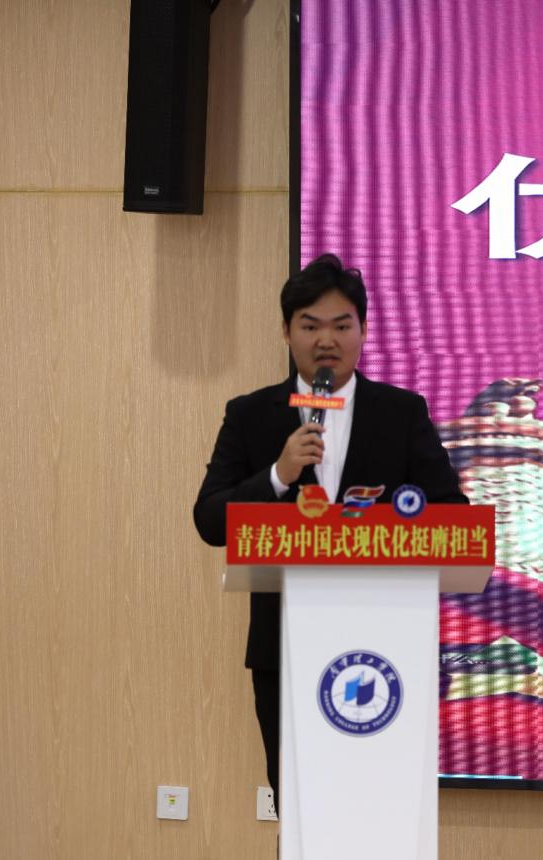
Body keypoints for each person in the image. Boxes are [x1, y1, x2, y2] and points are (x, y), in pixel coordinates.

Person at [192, 253, 467, 811]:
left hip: (386, 649)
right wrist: (277, 475)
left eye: (342, 325)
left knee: (382, 809)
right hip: (285, 650)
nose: (326, 340)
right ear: (286, 331)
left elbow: (452, 516)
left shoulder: (402, 413)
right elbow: (209, 520)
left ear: (362, 331)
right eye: (310, 325)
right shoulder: (251, 415)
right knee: (301, 808)